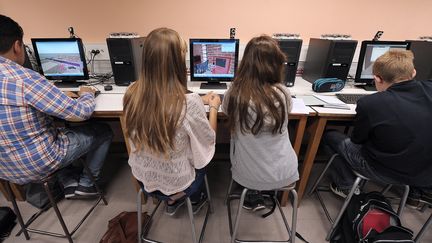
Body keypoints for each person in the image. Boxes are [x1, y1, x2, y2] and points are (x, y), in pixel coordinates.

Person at [0, 15, 113, 198]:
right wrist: (86, 93)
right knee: (104, 130)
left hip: (4, 169)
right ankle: (87, 185)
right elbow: (80, 113)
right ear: (17, 46)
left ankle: (67, 180)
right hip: (37, 164)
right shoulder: (25, 79)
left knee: (55, 129)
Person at [123, 28, 220, 215]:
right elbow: (209, 142)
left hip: (144, 181)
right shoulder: (188, 103)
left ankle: (170, 201)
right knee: (202, 157)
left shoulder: (131, 94)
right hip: (180, 184)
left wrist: (199, 99)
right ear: (177, 62)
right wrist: (213, 107)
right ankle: (188, 198)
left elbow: (163, 97)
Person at [324, 50, 432, 207]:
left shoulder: (371, 103)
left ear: (377, 78)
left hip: (383, 171)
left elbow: (357, 140)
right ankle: (415, 195)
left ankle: (346, 186)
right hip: (425, 174)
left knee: (331, 136)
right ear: (413, 72)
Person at [222, 35, 299, 211]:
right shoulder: (283, 93)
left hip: (247, 175)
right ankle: (261, 192)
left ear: (246, 63)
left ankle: (253, 192)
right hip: (285, 173)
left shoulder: (235, 93)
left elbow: (226, 112)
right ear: (277, 63)